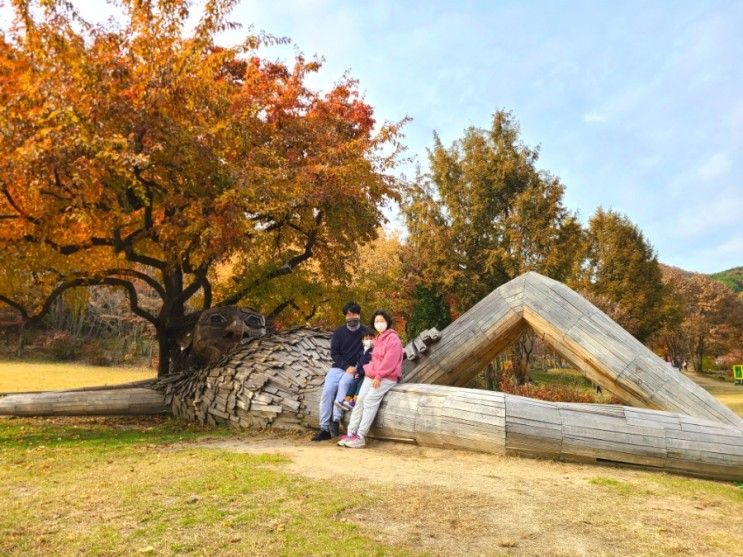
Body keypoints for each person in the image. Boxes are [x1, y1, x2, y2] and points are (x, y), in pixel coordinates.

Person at [338, 309, 403, 449]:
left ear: (387, 322)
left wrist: (379, 376)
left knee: (370, 400)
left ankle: (361, 436)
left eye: (382, 321)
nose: (379, 323)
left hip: (386, 376)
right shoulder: (378, 338)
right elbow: (375, 359)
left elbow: (389, 361)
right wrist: (370, 373)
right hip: (372, 374)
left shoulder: (393, 339)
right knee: (359, 400)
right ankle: (351, 433)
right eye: (376, 321)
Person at [311, 302, 365, 441]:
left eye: (354, 314)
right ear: (345, 316)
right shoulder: (339, 332)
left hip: (355, 369)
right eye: (348, 314)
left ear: (359, 315)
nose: (351, 317)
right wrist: (346, 366)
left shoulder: (366, 332)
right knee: (328, 391)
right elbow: (334, 353)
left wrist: (356, 368)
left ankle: (335, 420)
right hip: (338, 367)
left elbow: (367, 353)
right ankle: (324, 428)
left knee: (343, 385)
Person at [335, 329, 374, 412]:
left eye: (371, 338)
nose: (369, 340)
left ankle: (354, 401)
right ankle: (346, 399)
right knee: (353, 383)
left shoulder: (374, 352)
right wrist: (356, 372)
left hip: (367, 375)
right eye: (367, 339)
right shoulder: (360, 352)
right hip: (359, 374)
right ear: (362, 341)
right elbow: (358, 363)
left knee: (360, 385)